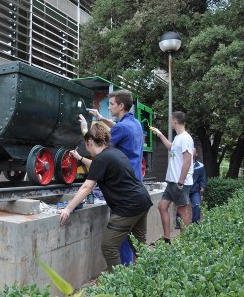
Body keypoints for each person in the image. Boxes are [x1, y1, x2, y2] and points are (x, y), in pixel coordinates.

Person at [60, 123, 153, 271]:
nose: (87, 149)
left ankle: (118, 285)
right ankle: (149, 278)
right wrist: (80, 158)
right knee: (139, 245)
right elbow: (98, 165)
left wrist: (68, 208)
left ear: (90, 142)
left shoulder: (102, 159)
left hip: (128, 207)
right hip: (142, 200)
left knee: (109, 247)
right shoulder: (113, 153)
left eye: (86, 145)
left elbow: (87, 187)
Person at [80, 89, 144, 265]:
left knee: (119, 233)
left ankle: (124, 270)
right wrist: (100, 118)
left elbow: (98, 144)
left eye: (112, 104)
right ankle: (136, 267)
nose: (109, 107)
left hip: (122, 187)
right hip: (136, 183)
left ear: (121, 106)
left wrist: (86, 130)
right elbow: (118, 127)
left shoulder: (122, 128)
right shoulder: (135, 123)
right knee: (135, 236)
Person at [151, 111, 194, 244]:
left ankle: (188, 242)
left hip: (179, 182)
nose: (170, 122)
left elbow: (187, 161)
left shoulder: (186, 138)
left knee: (183, 211)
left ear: (175, 121)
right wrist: (159, 134)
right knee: (162, 206)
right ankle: (167, 239)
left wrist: (180, 182)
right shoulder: (177, 138)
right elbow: (171, 147)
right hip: (172, 181)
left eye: (171, 120)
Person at [176, 147, 206, 227]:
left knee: (196, 204)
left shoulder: (200, 166)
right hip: (183, 189)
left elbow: (202, 179)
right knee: (181, 206)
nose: (191, 153)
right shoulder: (181, 164)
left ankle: (195, 223)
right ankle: (179, 224)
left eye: (193, 152)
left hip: (195, 190)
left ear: (196, 154)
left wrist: (202, 187)